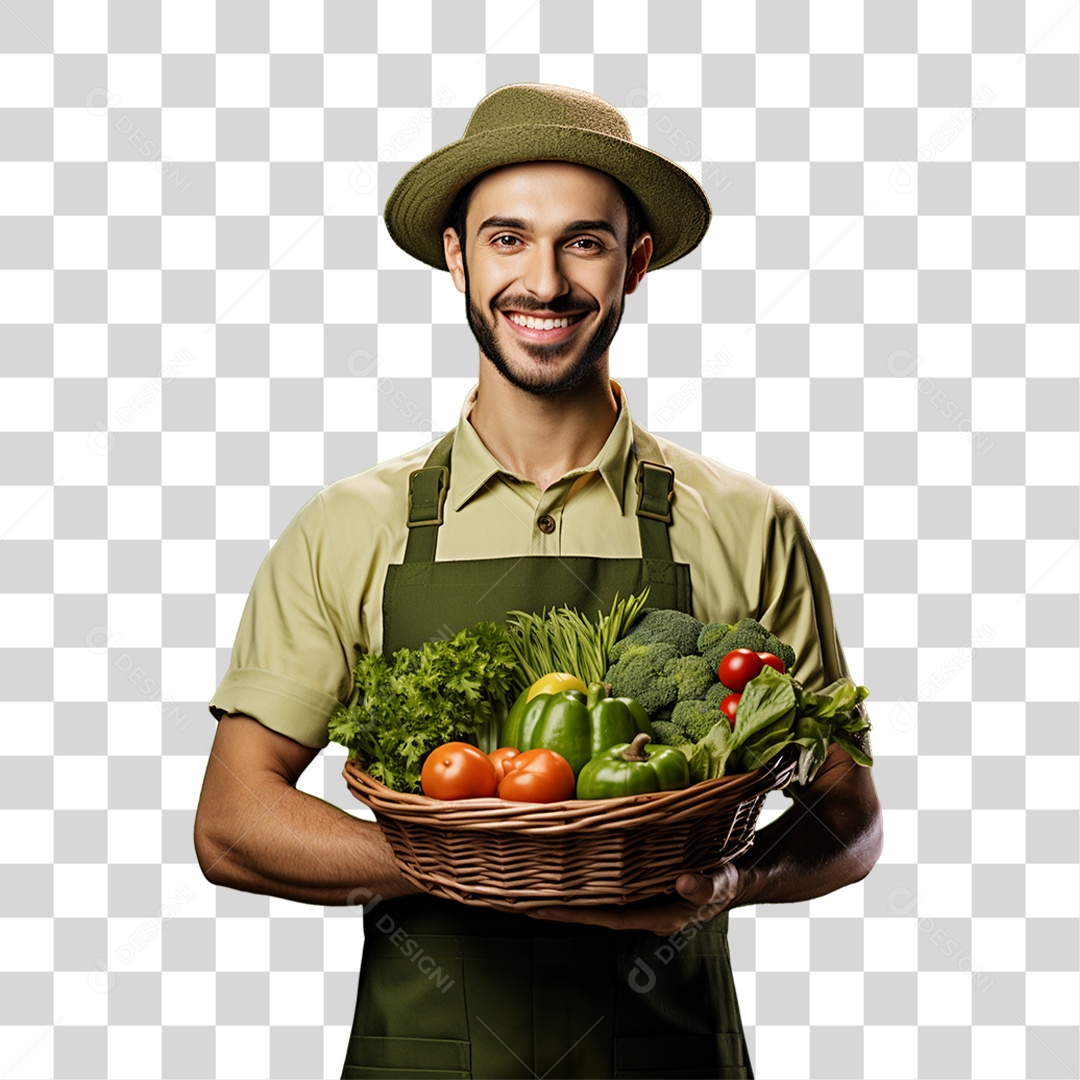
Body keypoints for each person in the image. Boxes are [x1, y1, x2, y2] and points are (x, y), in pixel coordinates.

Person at [195, 83, 883, 1080]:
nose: (545, 281)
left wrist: (733, 875)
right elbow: (233, 821)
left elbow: (847, 816)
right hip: (425, 1061)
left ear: (635, 262)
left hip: (671, 1059)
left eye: (584, 242)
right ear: (457, 256)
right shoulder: (353, 526)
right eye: (508, 240)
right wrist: (466, 858)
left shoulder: (745, 522)